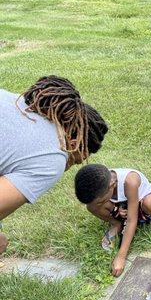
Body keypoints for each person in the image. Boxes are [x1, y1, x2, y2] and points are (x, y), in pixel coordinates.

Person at [0, 76, 108, 255]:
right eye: (74, 160)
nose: (67, 167)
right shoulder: (53, 155)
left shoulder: (14, 102)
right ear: (73, 142)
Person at [74, 163, 151, 277]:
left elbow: (132, 220)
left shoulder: (130, 181)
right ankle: (116, 224)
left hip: (142, 202)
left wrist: (121, 256)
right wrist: (115, 208)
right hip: (122, 205)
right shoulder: (100, 182)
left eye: (101, 201)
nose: (101, 204)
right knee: (91, 206)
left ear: (111, 185)